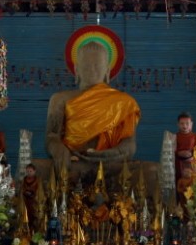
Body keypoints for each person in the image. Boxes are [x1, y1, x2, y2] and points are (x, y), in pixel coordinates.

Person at [45, 42, 141, 173]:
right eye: (86, 66)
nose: (92, 70)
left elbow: (129, 143)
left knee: (151, 170)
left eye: (97, 66)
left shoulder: (123, 102)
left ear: (107, 71)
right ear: (77, 70)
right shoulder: (60, 99)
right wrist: (58, 150)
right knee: (37, 168)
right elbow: (52, 137)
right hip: (74, 162)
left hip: (108, 163)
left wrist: (113, 153)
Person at [174, 112, 196, 191]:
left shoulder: (195, 137)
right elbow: (172, 151)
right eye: (182, 124)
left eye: (187, 123)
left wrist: (191, 155)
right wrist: (178, 153)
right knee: (179, 184)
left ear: (191, 124)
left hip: (191, 165)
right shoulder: (175, 137)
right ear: (178, 124)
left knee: (191, 185)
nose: (184, 126)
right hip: (178, 164)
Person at [20, 162, 42, 233]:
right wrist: (25, 192)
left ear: (34, 171)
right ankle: (27, 232)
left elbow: (40, 191)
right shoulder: (24, 180)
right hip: (26, 202)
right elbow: (22, 189)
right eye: (28, 171)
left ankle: (35, 232)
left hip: (34, 202)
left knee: (35, 218)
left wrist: (32, 194)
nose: (29, 173)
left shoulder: (38, 180)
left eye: (31, 171)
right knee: (26, 217)